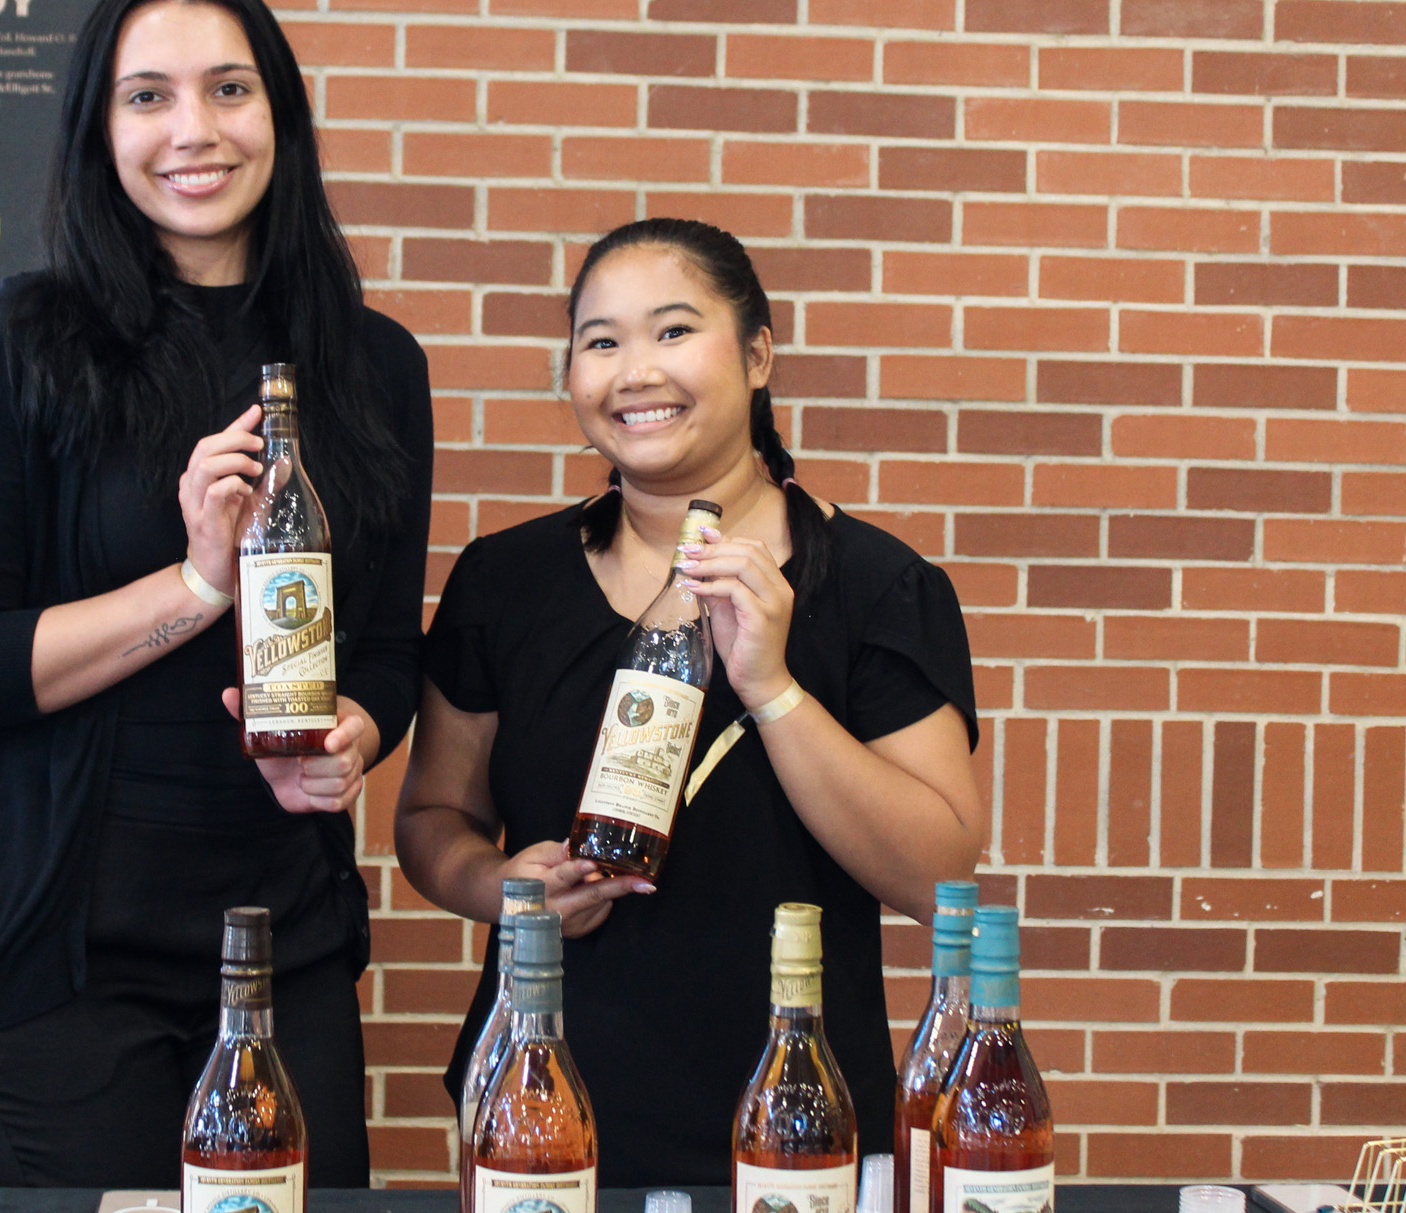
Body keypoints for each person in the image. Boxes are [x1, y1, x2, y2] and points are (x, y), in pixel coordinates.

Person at [0, 0, 432, 1187]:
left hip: (281, 944)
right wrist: (197, 584)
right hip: (54, 960)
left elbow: (386, 651)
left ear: (280, 115)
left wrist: (356, 729)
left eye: (229, 89)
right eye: (148, 96)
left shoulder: (372, 366)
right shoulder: (12, 350)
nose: (194, 130)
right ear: (99, 128)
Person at [394, 218, 984, 1186]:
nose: (635, 372)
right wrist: (503, 888)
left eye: (673, 331)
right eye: (600, 341)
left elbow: (938, 874)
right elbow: (430, 819)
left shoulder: (877, 587)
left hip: (800, 1123)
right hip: (543, 1115)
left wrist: (771, 686)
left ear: (757, 355)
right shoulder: (506, 582)